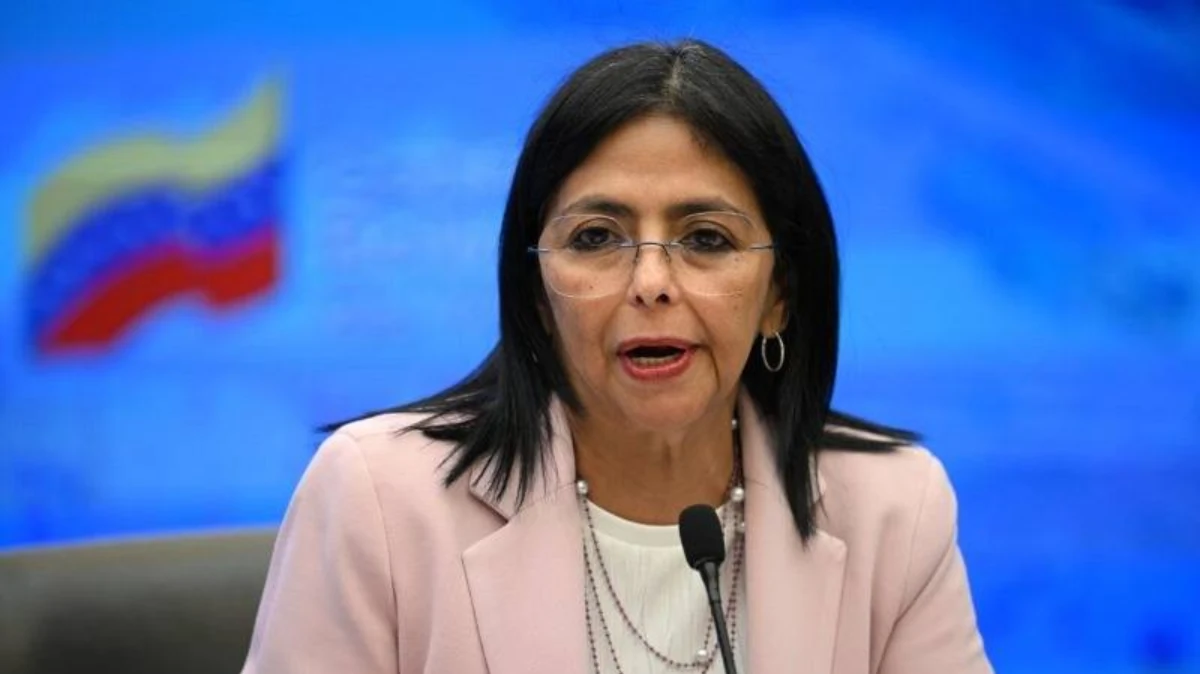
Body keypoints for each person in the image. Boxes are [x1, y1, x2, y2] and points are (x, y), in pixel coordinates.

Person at [241, 39, 993, 674]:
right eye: (597, 237)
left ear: (779, 295)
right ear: (537, 292)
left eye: (707, 239)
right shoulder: (379, 499)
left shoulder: (892, 509)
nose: (651, 282)